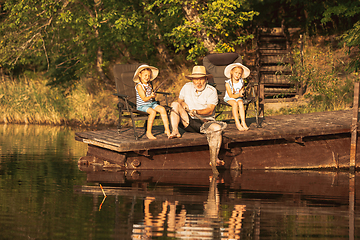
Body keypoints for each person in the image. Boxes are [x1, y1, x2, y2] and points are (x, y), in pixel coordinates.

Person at [134, 64, 171, 139]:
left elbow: (150, 96)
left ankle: (167, 130)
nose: (147, 77)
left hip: (151, 104)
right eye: (145, 75)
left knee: (162, 109)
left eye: (149, 76)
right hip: (142, 106)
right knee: (153, 112)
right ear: (140, 75)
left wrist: (153, 95)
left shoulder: (149, 84)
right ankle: (148, 132)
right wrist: (151, 96)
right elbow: (144, 98)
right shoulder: (139, 86)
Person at [223, 63, 251, 131]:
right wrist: (239, 95)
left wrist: (242, 93)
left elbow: (242, 90)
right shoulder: (228, 83)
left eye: (239, 73)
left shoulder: (241, 81)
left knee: (241, 103)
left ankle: (243, 122)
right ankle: (237, 123)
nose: (237, 75)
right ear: (231, 72)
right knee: (235, 104)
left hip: (238, 97)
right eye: (236, 72)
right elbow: (231, 95)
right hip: (229, 98)